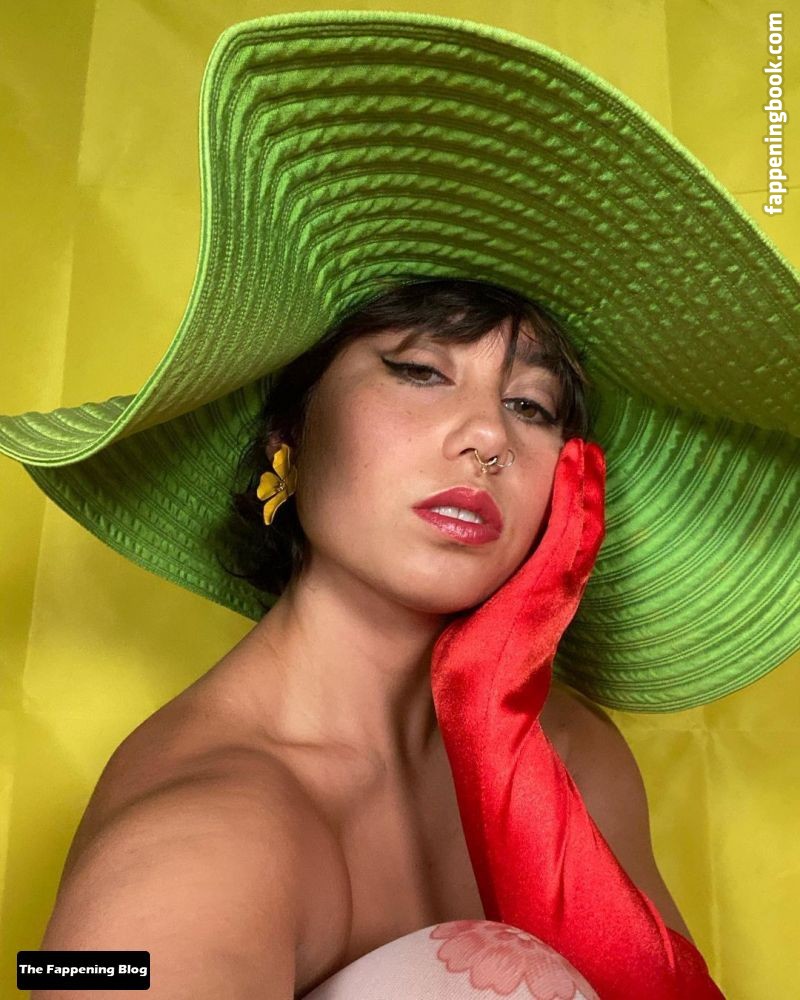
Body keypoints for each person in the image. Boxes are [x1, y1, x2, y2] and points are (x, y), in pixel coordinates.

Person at [2, 9, 796, 999]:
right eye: (419, 371)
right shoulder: (200, 833)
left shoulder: (573, 755)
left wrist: (498, 733)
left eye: (530, 405)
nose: (487, 435)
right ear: (287, 438)